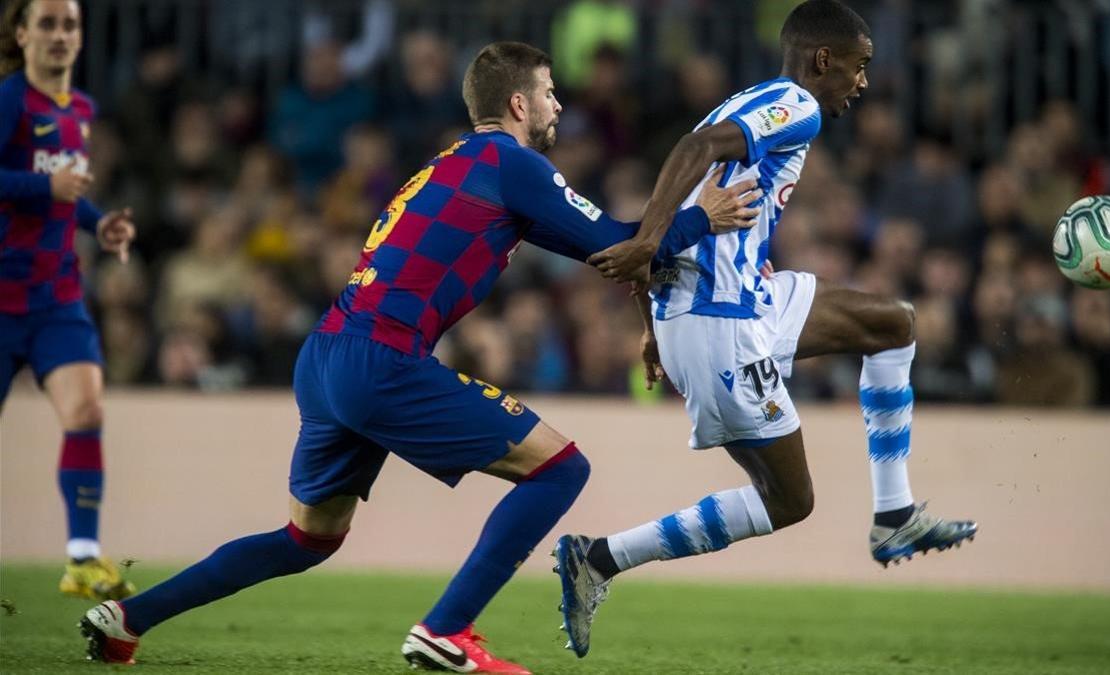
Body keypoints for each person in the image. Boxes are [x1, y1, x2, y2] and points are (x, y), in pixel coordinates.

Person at [79, 41, 759, 673]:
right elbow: (621, 243)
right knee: (560, 468)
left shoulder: (451, 161)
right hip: (382, 358)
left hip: (328, 354)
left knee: (304, 539)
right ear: (519, 104)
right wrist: (705, 215)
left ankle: (126, 617)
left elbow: (604, 255)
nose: (558, 106)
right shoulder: (513, 162)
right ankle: (446, 627)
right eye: (549, 92)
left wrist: (644, 299)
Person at [556, 0, 977, 657]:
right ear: (822, 60)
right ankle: (599, 558)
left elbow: (692, 176)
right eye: (859, 67)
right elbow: (693, 154)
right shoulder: (797, 104)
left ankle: (895, 514)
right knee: (789, 500)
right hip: (716, 322)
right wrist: (647, 243)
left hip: (736, 300)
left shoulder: (751, 102)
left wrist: (649, 323)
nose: (863, 83)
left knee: (892, 324)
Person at [0, 0, 136, 601]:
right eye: (48, 24)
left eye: (70, 25)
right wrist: (42, 186)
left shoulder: (80, 109)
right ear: (23, 34)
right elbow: (40, 183)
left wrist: (97, 222)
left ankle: (81, 559)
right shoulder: (9, 100)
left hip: (57, 295)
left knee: (86, 412)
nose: (60, 35)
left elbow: (64, 192)